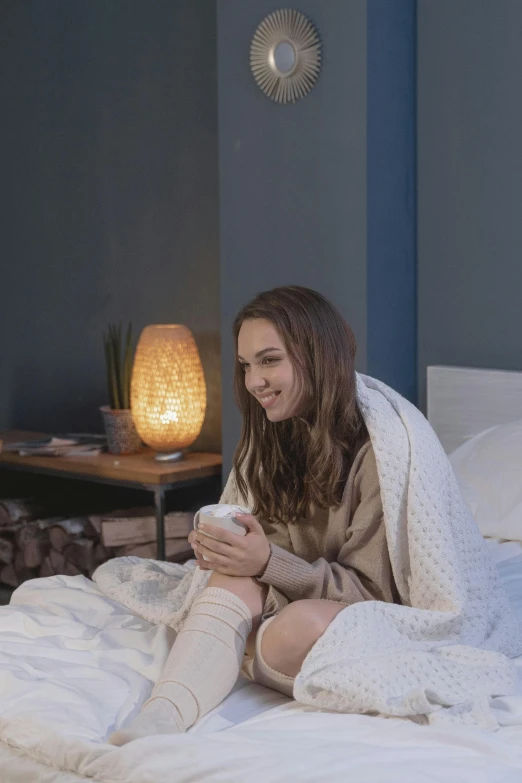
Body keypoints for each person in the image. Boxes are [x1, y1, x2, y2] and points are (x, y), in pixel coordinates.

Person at [109, 285, 400, 744]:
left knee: (300, 626)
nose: (253, 381)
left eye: (269, 360)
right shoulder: (276, 434)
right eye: (246, 365)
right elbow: (273, 547)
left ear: (316, 356)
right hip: (297, 591)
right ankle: (164, 713)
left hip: (362, 605)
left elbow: (373, 591)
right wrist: (234, 549)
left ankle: (228, 651)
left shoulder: (384, 453)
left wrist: (266, 564)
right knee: (230, 582)